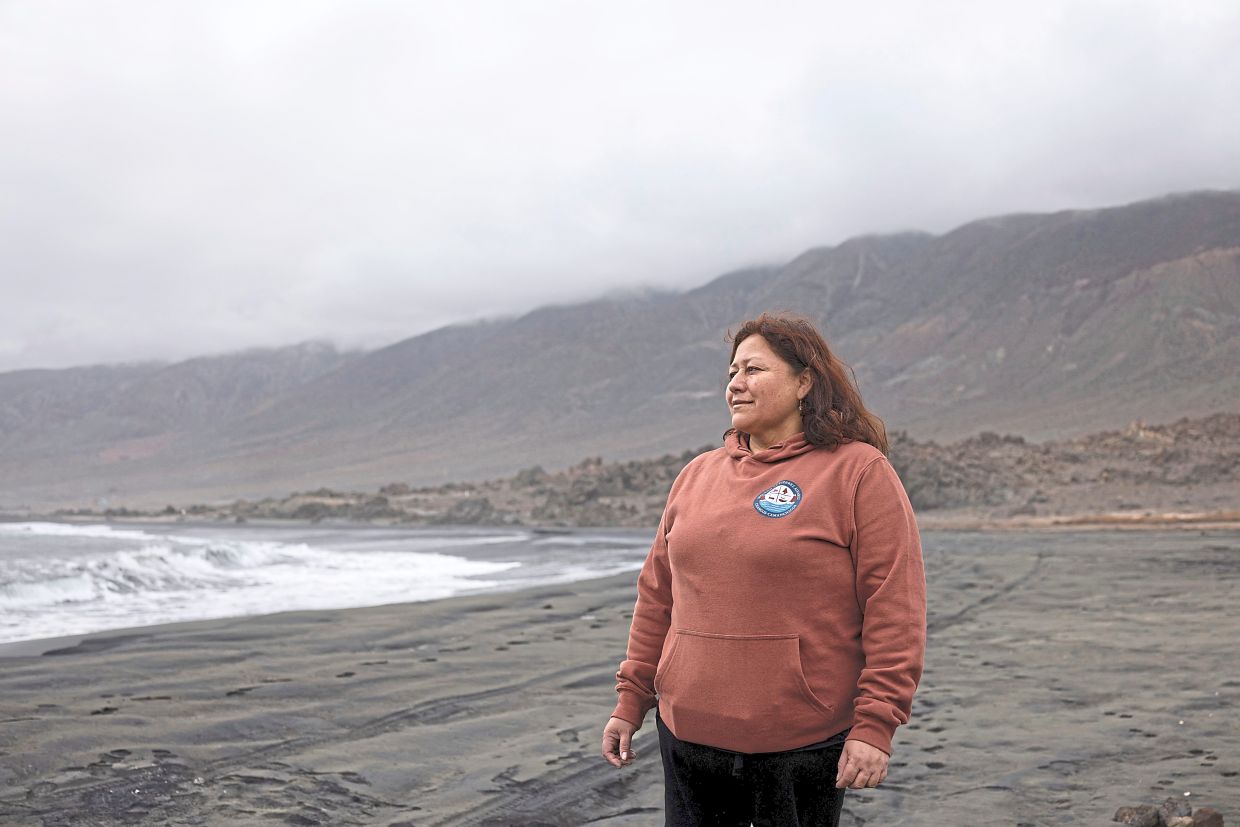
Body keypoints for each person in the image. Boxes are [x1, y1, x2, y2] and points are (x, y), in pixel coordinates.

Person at [600, 311, 927, 826]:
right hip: (688, 738)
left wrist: (875, 726)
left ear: (804, 382)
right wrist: (631, 700)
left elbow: (894, 608)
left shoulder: (857, 472)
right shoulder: (696, 476)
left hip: (799, 744)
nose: (735, 383)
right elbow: (657, 599)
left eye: (754, 370)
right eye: (732, 372)